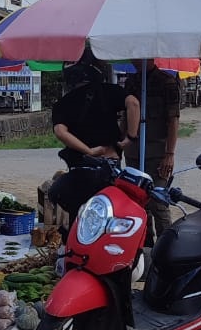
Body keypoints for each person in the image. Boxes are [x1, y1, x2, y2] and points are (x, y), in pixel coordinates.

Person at [49, 61, 140, 225]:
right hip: (109, 164)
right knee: (108, 214)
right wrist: (130, 138)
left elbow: (60, 132)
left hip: (80, 168)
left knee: (79, 218)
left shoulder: (63, 103)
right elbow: (133, 103)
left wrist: (88, 151)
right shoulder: (109, 91)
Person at [123, 59, 181, 242]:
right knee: (138, 203)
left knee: (158, 201)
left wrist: (170, 154)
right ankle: (143, 246)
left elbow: (173, 120)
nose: (135, 61)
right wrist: (120, 144)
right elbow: (125, 116)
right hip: (133, 152)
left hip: (158, 153)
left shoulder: (167, 82)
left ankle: (166, 247)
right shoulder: (131, 82)